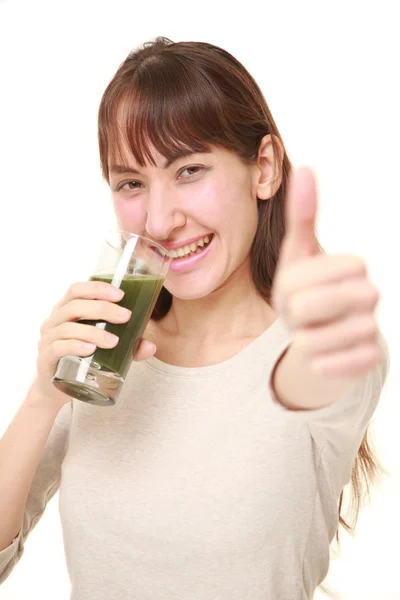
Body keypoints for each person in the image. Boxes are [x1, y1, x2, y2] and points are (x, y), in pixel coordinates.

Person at [0, 37, 390, 599]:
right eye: (132, 182)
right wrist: (43, 395)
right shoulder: (105, 348)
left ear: (265, 168)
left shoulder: (316, 348)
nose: (160, 220)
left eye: (189, 170)